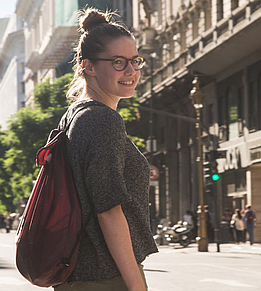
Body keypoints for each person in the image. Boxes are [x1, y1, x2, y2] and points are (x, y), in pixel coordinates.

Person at [54, 8, 158, 291]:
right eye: (118, 62)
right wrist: (136, 285)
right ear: (88, 66)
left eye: (135, 61)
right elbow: (109, 211)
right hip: (104, 275)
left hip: (82, 273)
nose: (131, 71)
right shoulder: (102, 119)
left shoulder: (75, 115)